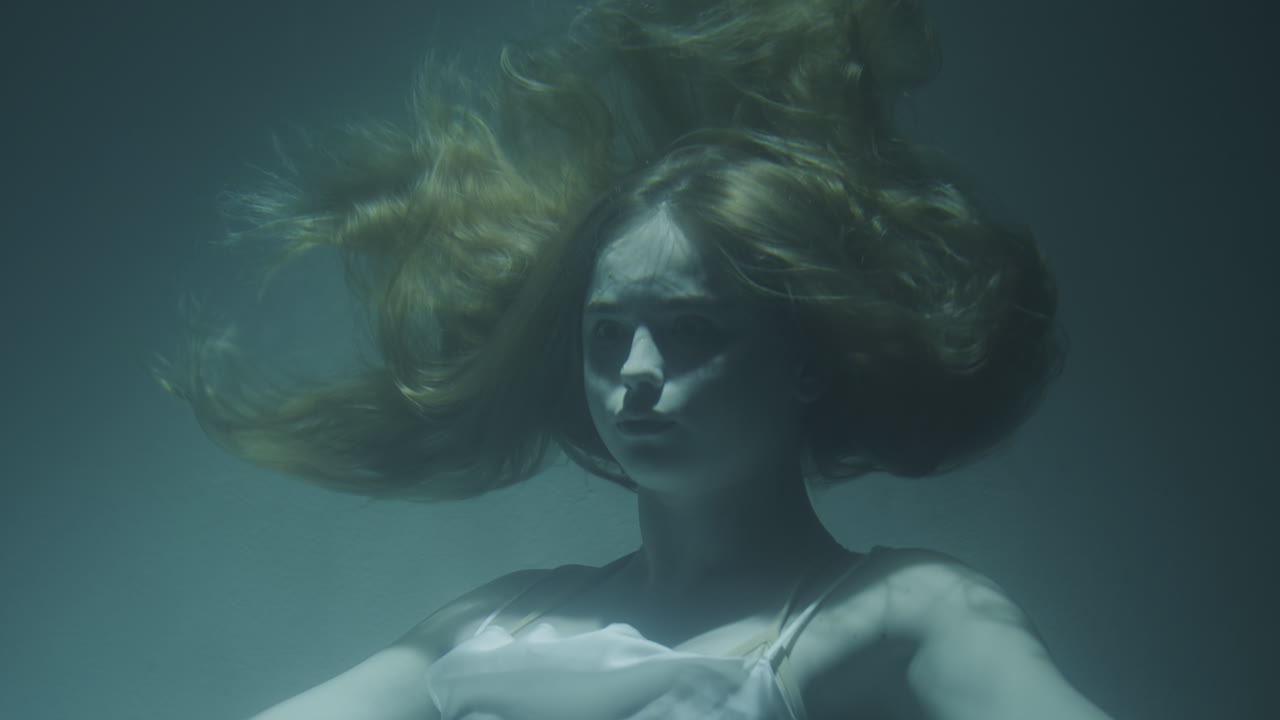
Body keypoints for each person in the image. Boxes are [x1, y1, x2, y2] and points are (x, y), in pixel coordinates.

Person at [168, 1, 1116, 718]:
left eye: (694, 329)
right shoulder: (501, 617)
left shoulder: (900, 607)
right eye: (607, 334)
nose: (638, 373)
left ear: (807, 361)